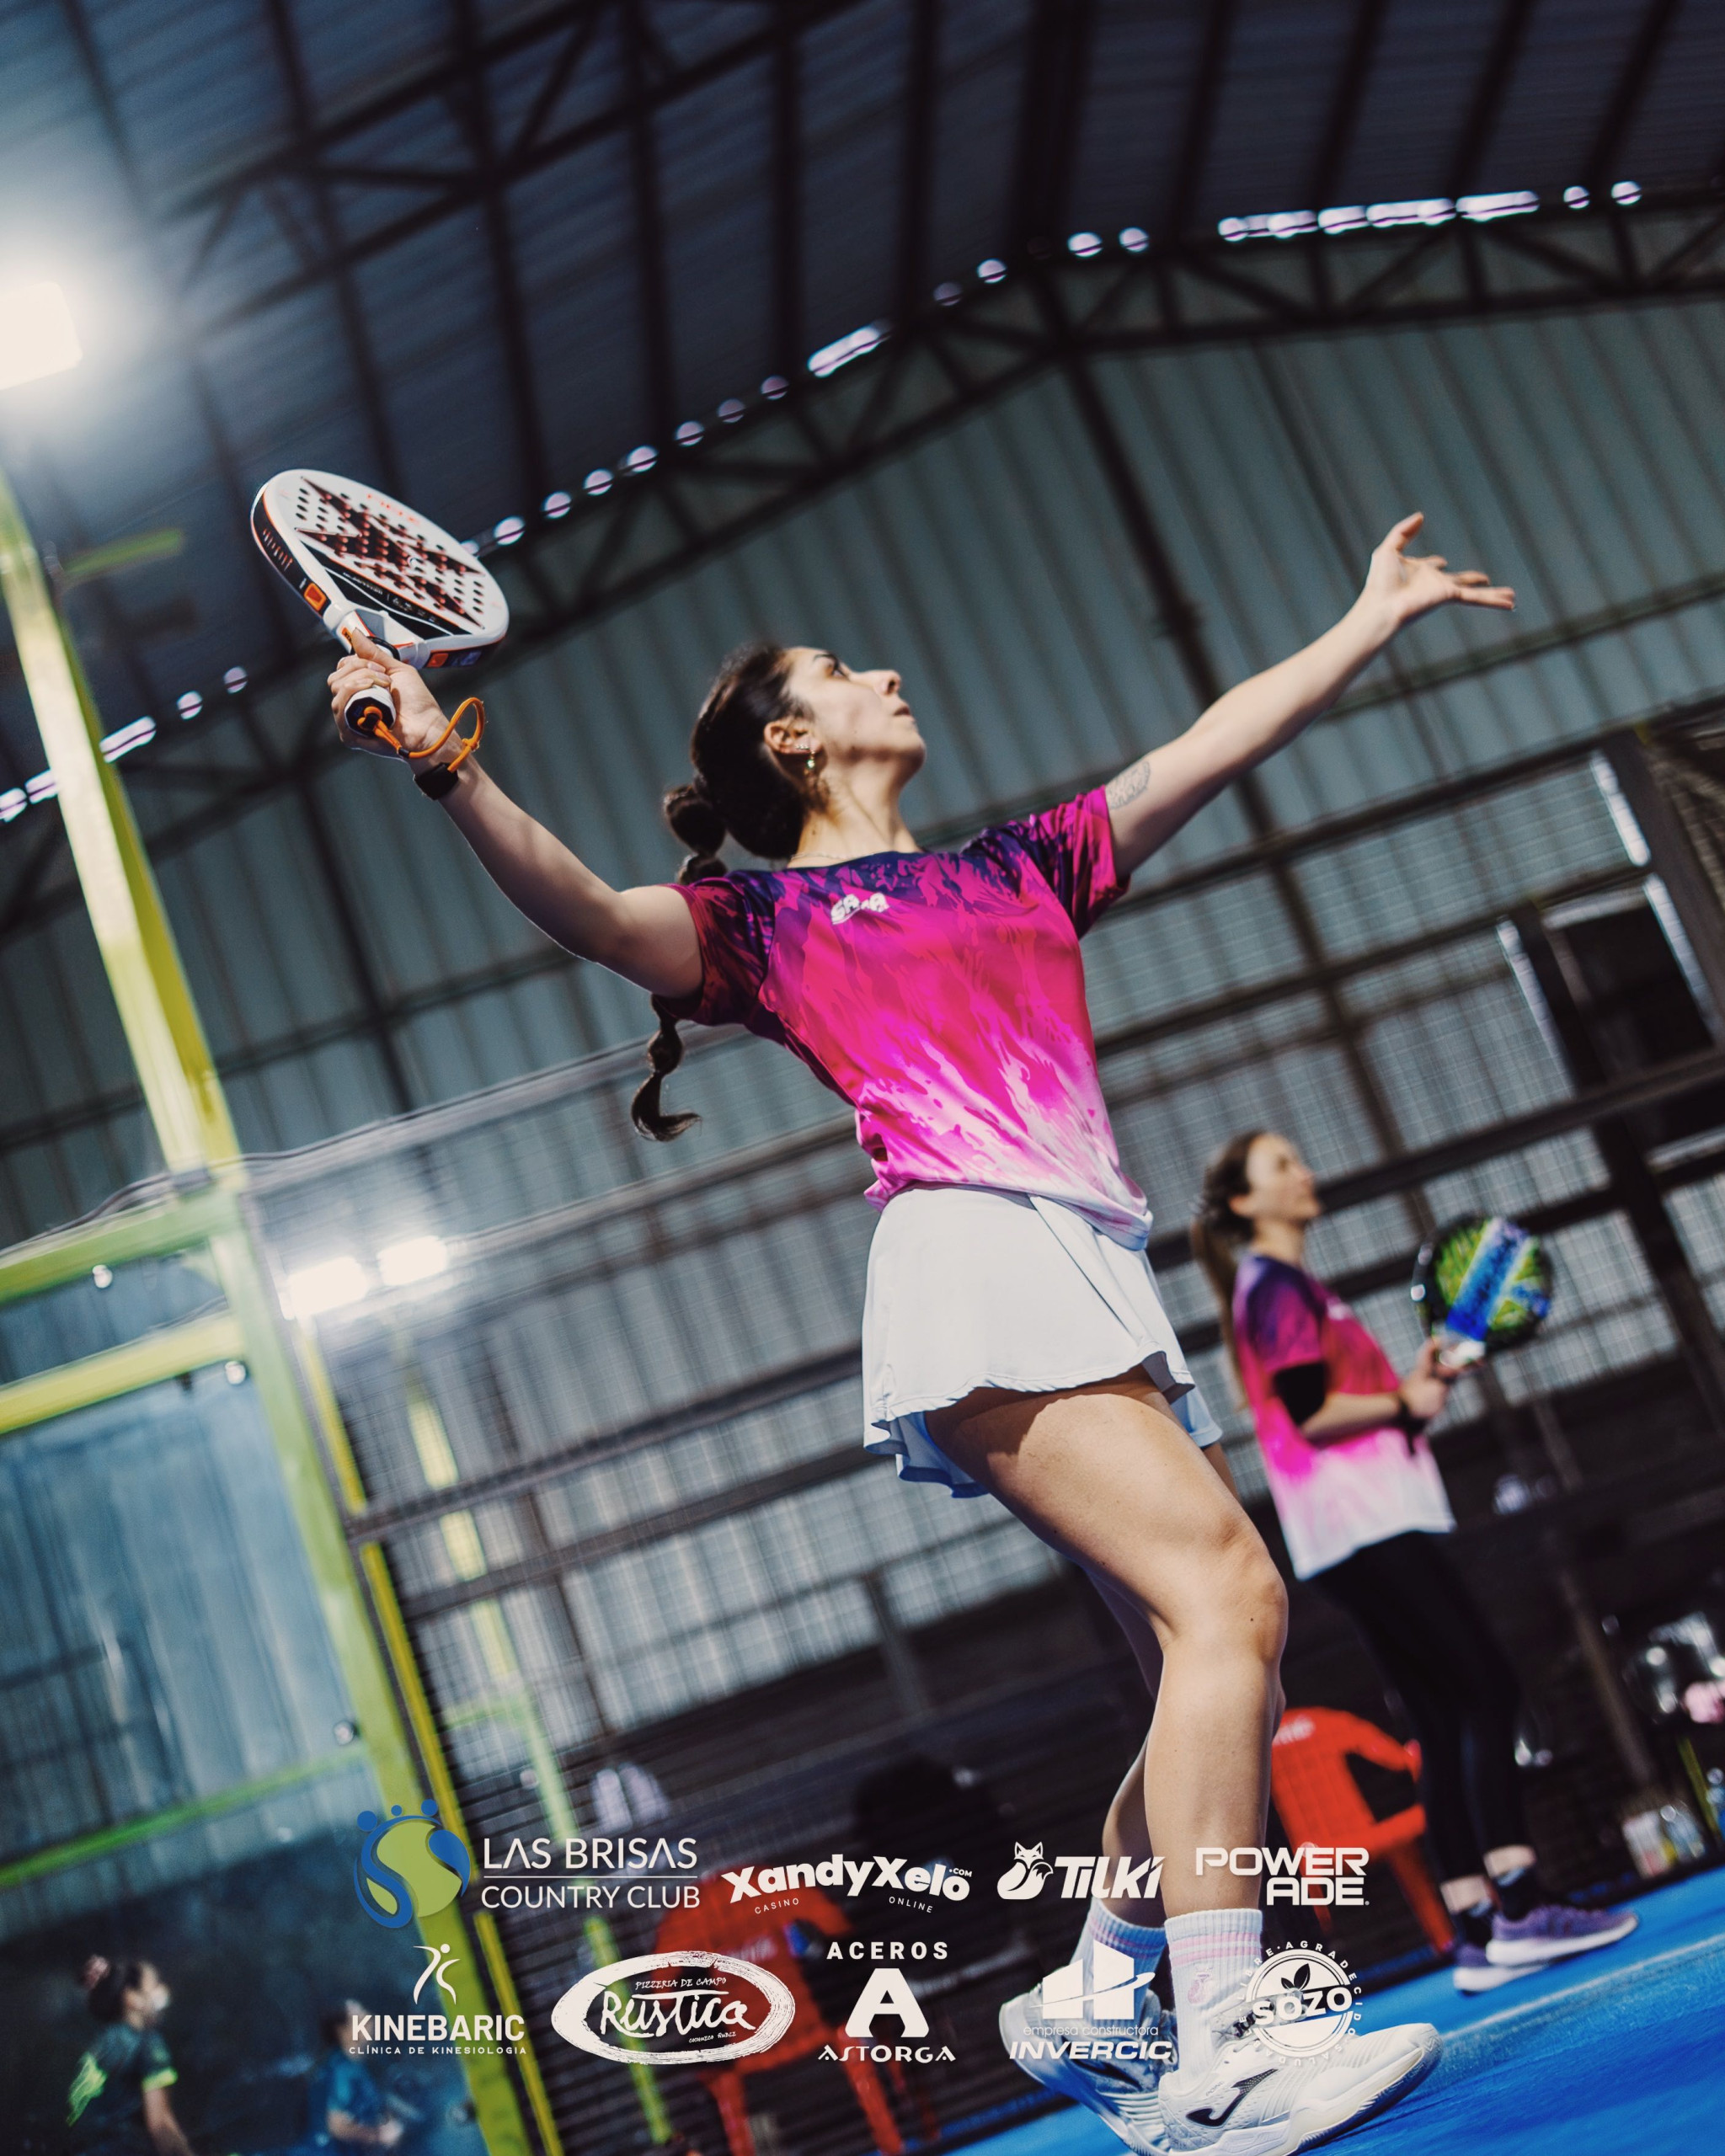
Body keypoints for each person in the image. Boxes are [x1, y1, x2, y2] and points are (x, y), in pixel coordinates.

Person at [330, 512, 1511, 2154]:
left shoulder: (1020, 862)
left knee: (1210, 1661)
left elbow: (1209, 742)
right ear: (794, 739)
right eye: (839, 668)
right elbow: (594, 913)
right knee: (1232, 1597)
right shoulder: (761, 927)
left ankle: (1101, 1990)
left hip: (1088, 1267)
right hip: (974, 1264)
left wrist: (1365, 618)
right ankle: (1230, 2042)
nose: (884, 670)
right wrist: (444, 763)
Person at [1193, 1129, 1640, 1994]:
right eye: (1282, 1164)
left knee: (1438, 1717)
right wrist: (1401, 1400)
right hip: (1366, 1527)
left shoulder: (1290, 1288)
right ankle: (1521, 1901)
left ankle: (1474, 1923)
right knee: (1487, 1689)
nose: (1304, 1170)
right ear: (1245, 1202)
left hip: (1350, 1531)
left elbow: (1341, 1404)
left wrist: (1412, 1391)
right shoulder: (1273, 1285)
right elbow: (1312, 1413)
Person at [67, 1957, 196, 2156]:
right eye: (155, 1985)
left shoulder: (99, 2049)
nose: (163, 1991)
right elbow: (161, 2126)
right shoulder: (147, 2043)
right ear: (132, 1999)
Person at [302, 2004, 402, 2150]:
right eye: (360, 2016)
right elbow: (336, 2125)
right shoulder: (339, 2070)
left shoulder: (360, 2065)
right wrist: (378, 2136)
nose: (369, 2017)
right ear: (342, 2031)